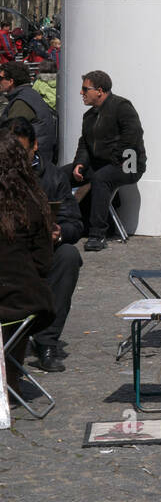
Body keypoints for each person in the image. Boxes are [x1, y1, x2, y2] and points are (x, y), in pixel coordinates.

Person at [8, 117, 82, 373]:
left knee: (69, 256)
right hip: (8, 255)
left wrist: (59, 233)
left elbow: (74, 222)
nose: (16, 158)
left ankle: (46, 341)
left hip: (41, 252)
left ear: (35, 147)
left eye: (21, 151)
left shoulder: (52, 176)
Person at [0, 131, 55, 392]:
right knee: (17, 305)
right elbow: (43, 264)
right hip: (24, 301)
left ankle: (9, 383)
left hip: (13, 301)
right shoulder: (32, 204)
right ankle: (11, 382)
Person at [71, 71, 146, 251]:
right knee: (58, 175)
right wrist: (79, 164)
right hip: (100, 164)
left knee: (101, 178)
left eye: (85, 89)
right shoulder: (88, 116)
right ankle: (61, 225)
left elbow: (132, 137)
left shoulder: (122, 107)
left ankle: (97, 234)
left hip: (129, 164)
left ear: (99, 90)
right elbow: (84, 144)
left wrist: (113, 160)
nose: (81, 93)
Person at [0, 61, 58, 162]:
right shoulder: (29, 94)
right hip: (40, 156)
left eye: (1, 78)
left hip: (33, 161)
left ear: (11, 81)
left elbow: (9, 137)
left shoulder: (21, 102)